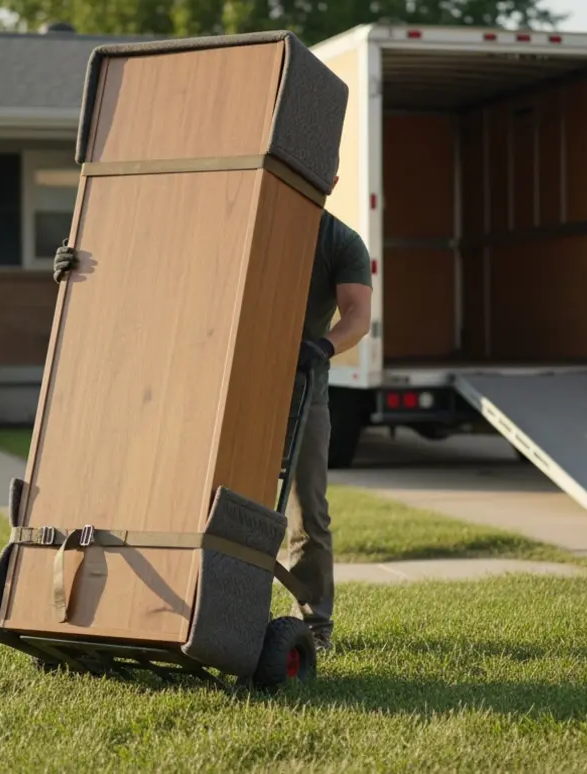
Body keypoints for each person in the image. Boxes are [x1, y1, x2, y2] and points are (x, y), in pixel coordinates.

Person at [52, 175, 373, 653]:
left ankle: (314, 626)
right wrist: (81, 268)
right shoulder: (235, 221)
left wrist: (321, 347)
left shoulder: (340, 240)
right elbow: (156, 270)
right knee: (198, 500)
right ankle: (190, 609)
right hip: (219, 385)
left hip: (301, 391)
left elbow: (357, 317)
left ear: (330, 179)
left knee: (309, 513)